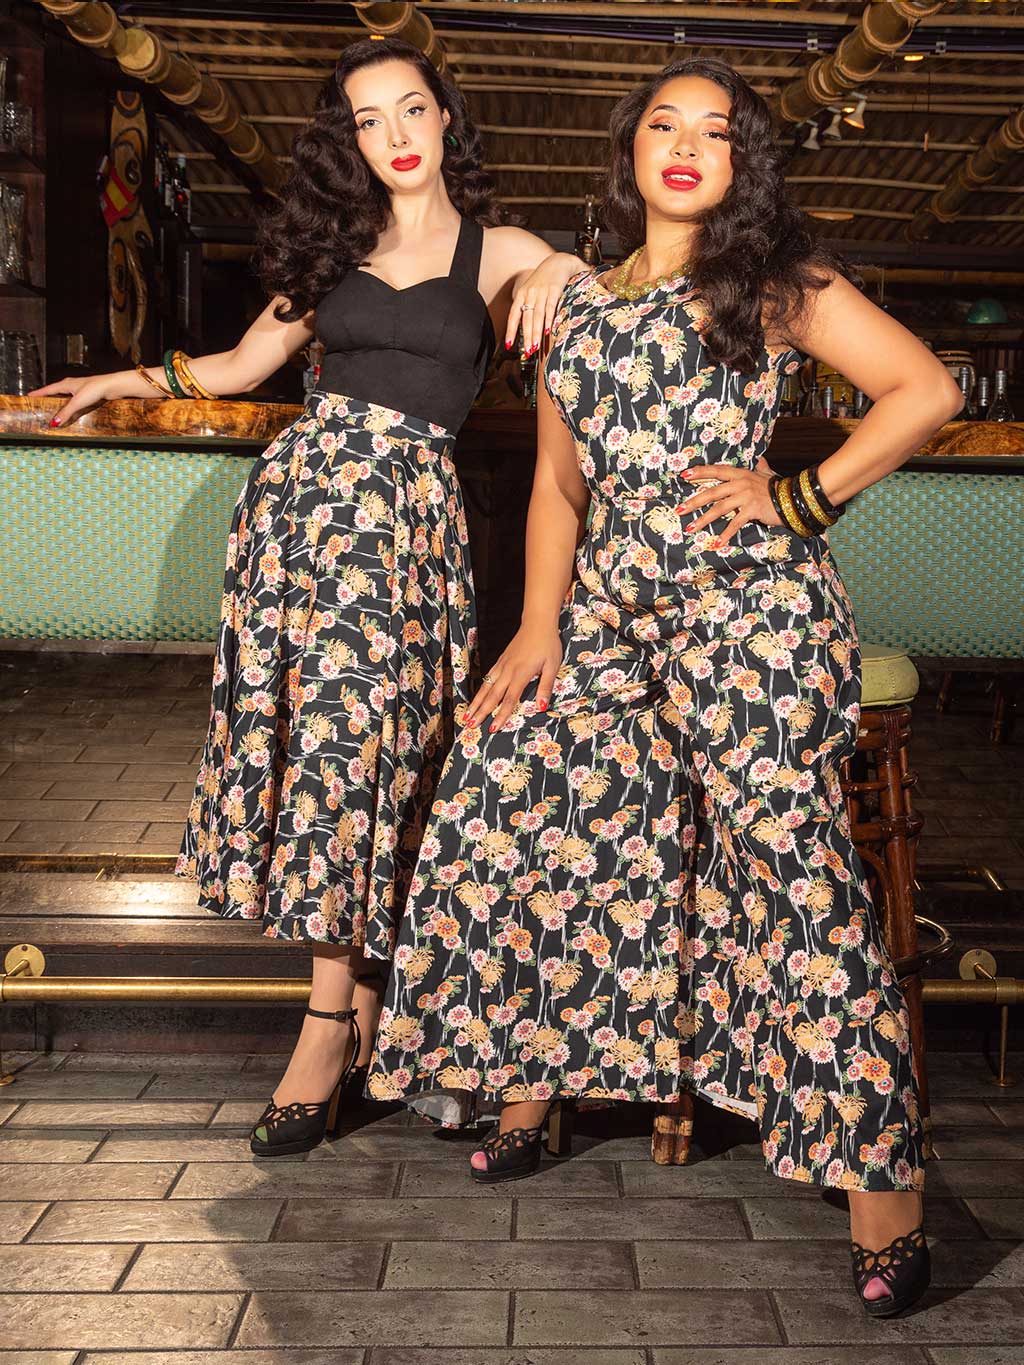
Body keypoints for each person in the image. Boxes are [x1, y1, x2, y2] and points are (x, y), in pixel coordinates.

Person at [368, 56, 963, 1317]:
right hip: (608, 612)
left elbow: (926, 391)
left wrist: (795, 497)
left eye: (715, 132)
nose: (686, 146)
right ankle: (529, 1083)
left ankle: (882, 1187)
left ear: (743, 163)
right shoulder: (576, 300)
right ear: (629, 150)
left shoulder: (775, 280)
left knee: (786, 858)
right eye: (663, 125)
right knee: (509, 778)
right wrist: (537, 628)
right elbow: (557, 485)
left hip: (747, 605)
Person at [32, 36, 585, 1159]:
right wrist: (115, 380)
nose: (395, 135)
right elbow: (239, 368)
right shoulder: (333, 249)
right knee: (324, 758)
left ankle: (336, 1024)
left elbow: (611, 302)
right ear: (350, 140)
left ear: (445, 116)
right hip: (297, 519)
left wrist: (557, 271)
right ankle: (347, 1014)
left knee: (377, 762)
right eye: (369, 119)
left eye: (411, 108)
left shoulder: (503, 252)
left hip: (406, 528)